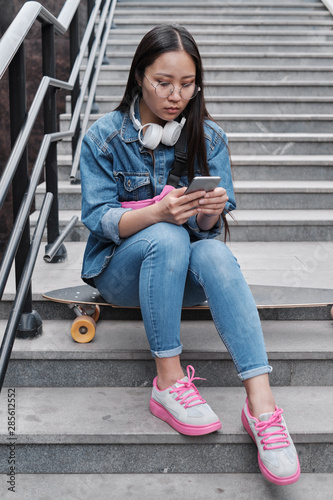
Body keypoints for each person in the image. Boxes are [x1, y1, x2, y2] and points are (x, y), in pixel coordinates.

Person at [80, 24, 300, 485]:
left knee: (215, 254)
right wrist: (159, 211)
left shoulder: (209, 137)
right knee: (166, 236)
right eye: (163, 82)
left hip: (183, 281)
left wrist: (207, 213)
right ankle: (167, 382)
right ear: (139, 75)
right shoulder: (104, 137)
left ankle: (261, 406)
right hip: (121, 273)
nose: (176, 95)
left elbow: (207, 232)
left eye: (187, 84)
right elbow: (99, 218)